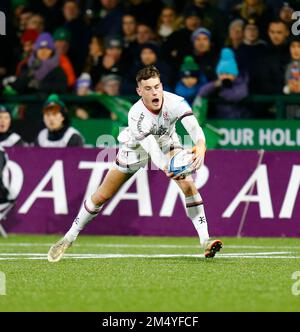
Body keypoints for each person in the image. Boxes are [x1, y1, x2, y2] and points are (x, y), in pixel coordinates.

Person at [47, 65, 223, 262]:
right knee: (102, 195)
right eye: (148, 88)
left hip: (167, 141)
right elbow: (151, 150)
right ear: (139, 91)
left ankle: (205, 240)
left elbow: (193, 126)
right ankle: (69, 238)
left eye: (157, 86)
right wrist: (167, 167)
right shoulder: (135, 115)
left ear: (161, 85)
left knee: (188, 185)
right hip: (135, 150)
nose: (154, 92)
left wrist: (201, 145)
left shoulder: (176, 102)